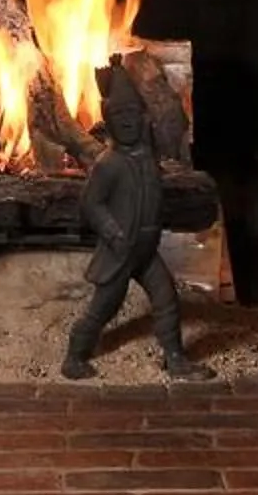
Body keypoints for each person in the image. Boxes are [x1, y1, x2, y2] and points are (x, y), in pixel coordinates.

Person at [62, 66, 213, 381]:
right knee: (104, 308)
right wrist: (111, 231)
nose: (128, 120)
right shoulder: (109, 164)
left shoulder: (147, 155)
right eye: (119, 114)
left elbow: (166, 130)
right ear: (107, 118)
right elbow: (91, 203)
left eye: (133, 112)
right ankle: (75, 355)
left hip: (146, 250)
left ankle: (175, 358)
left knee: (166, 298)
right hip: (120, 250)